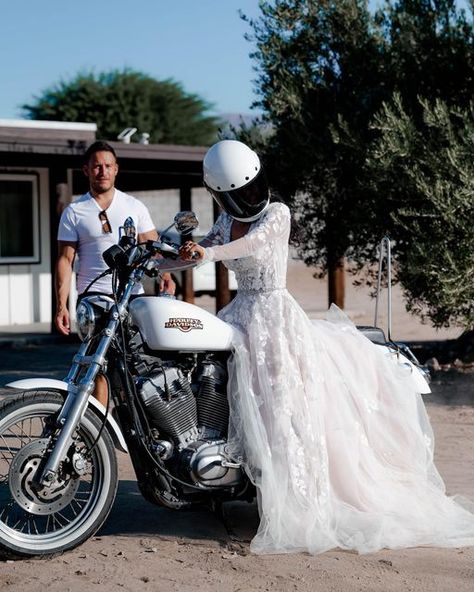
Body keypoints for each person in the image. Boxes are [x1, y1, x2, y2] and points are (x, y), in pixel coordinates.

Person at [180, 139, 474, 555]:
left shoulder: (277, 214)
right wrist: (163, 258)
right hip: (240, 314)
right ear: (221, 196)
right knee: (232, 397)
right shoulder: (224, 222)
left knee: (281, 411)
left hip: (274, 318)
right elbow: (198, 252)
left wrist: (208, 251)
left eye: (251, 189)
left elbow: (251, 246)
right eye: (238, 194)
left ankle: (294, 503)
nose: (249, 198)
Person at [55, 140, 175, 404]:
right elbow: (65, 260)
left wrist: (166, 276)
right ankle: (99, 428)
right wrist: (61, 306)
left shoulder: (134, 206)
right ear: (85, 170)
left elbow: (153, 248)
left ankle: (136, 429)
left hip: (131, 296)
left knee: (135, 363)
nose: (102, 171)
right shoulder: (74, 211)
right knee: (96, 367)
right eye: (96, 166)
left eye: (108, 166)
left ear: (116, 169)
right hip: (94, 297)